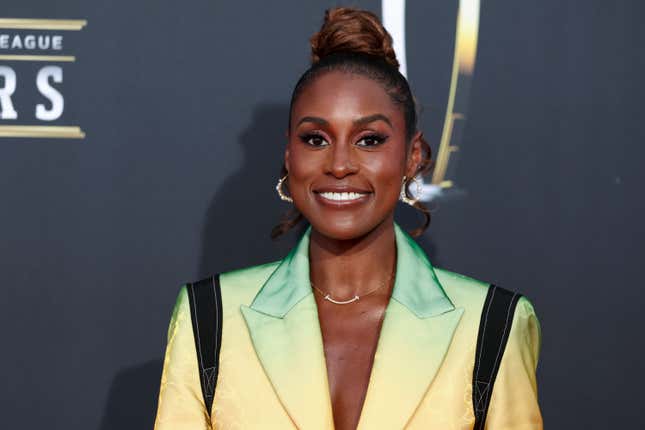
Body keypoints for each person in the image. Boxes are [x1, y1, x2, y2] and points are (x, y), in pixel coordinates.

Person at [153, 7, 542, 430]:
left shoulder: (492, 325)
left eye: (369, 139)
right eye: (315, 139)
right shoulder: (210, 317)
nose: (339, 165)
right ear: (290, 155)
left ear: (412, 156)